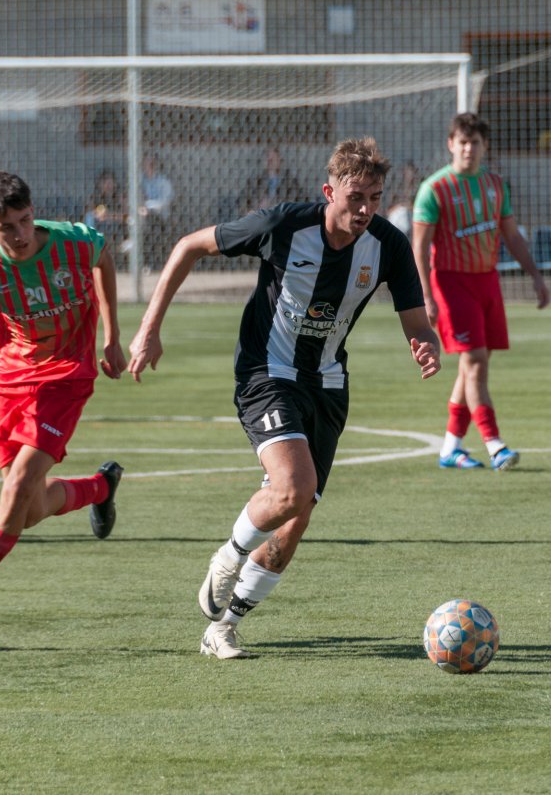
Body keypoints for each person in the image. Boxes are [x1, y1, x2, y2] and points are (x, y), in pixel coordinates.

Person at [128, 137, 441, 660]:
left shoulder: (388, 244)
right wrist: (149, 328)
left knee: (296, 519)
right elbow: (188, 246)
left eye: (375, 197)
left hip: (329, 385)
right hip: (266, 372)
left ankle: (224, 627)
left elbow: (416, 320)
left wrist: (424, 345)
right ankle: (227, 558)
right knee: (295, 487)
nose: (365, 209)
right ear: (329, 191)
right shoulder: (282, 225)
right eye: (355, 197)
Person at [0, 171, 127, 648]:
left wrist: (112, 336)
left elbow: (103, 257)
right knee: (29, 510)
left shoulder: (72, 242)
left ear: (33, 212)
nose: (19, 235)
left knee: (16, 489)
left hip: (67, 378)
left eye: (24, 221)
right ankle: (100, 487)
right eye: (7, 228)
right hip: (11, 384)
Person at [412, 112, 550, 471]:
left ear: (484, 146)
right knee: (474, 363)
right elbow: (420, 248)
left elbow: (511, 234)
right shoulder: (434, 189)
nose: (468, 149)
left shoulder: (494, 185)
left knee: (474, 365)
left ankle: (451, 448)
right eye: (462, 142)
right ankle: (494, 444)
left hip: (487, 281)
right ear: (451, 144)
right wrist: (425, 296)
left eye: (475, 142)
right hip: (452, 283)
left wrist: (535, 275)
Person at [241, 145, 305, 214]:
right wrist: (251, 212)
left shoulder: (290, 181)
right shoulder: (255, 181)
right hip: (259, 217)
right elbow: (242, 202)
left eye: (273, 158)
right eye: (267, 158)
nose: (269, 161)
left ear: (279, 161)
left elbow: (297, 202)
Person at [82, 167, 127, 244]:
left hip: (117, 228)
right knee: (89, 216)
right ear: (100, 184)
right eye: (105, 182)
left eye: (110, 182)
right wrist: (96, 213)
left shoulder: (120, 197)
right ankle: (90, 241)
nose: (108, 185)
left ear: (115, 184)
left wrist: (110, 215)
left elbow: (127, 217)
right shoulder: (96, 197)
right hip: (101, 227)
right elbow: (88, 211)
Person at [385, 160, 420, 237]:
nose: (410, 176)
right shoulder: (397, 189)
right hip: (398, 219)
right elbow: (388, 210)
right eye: (407, 172)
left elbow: (420, 207)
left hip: (413, 218)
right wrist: (401, 207)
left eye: (412, 173)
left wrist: (408, 207)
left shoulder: (418, 188)